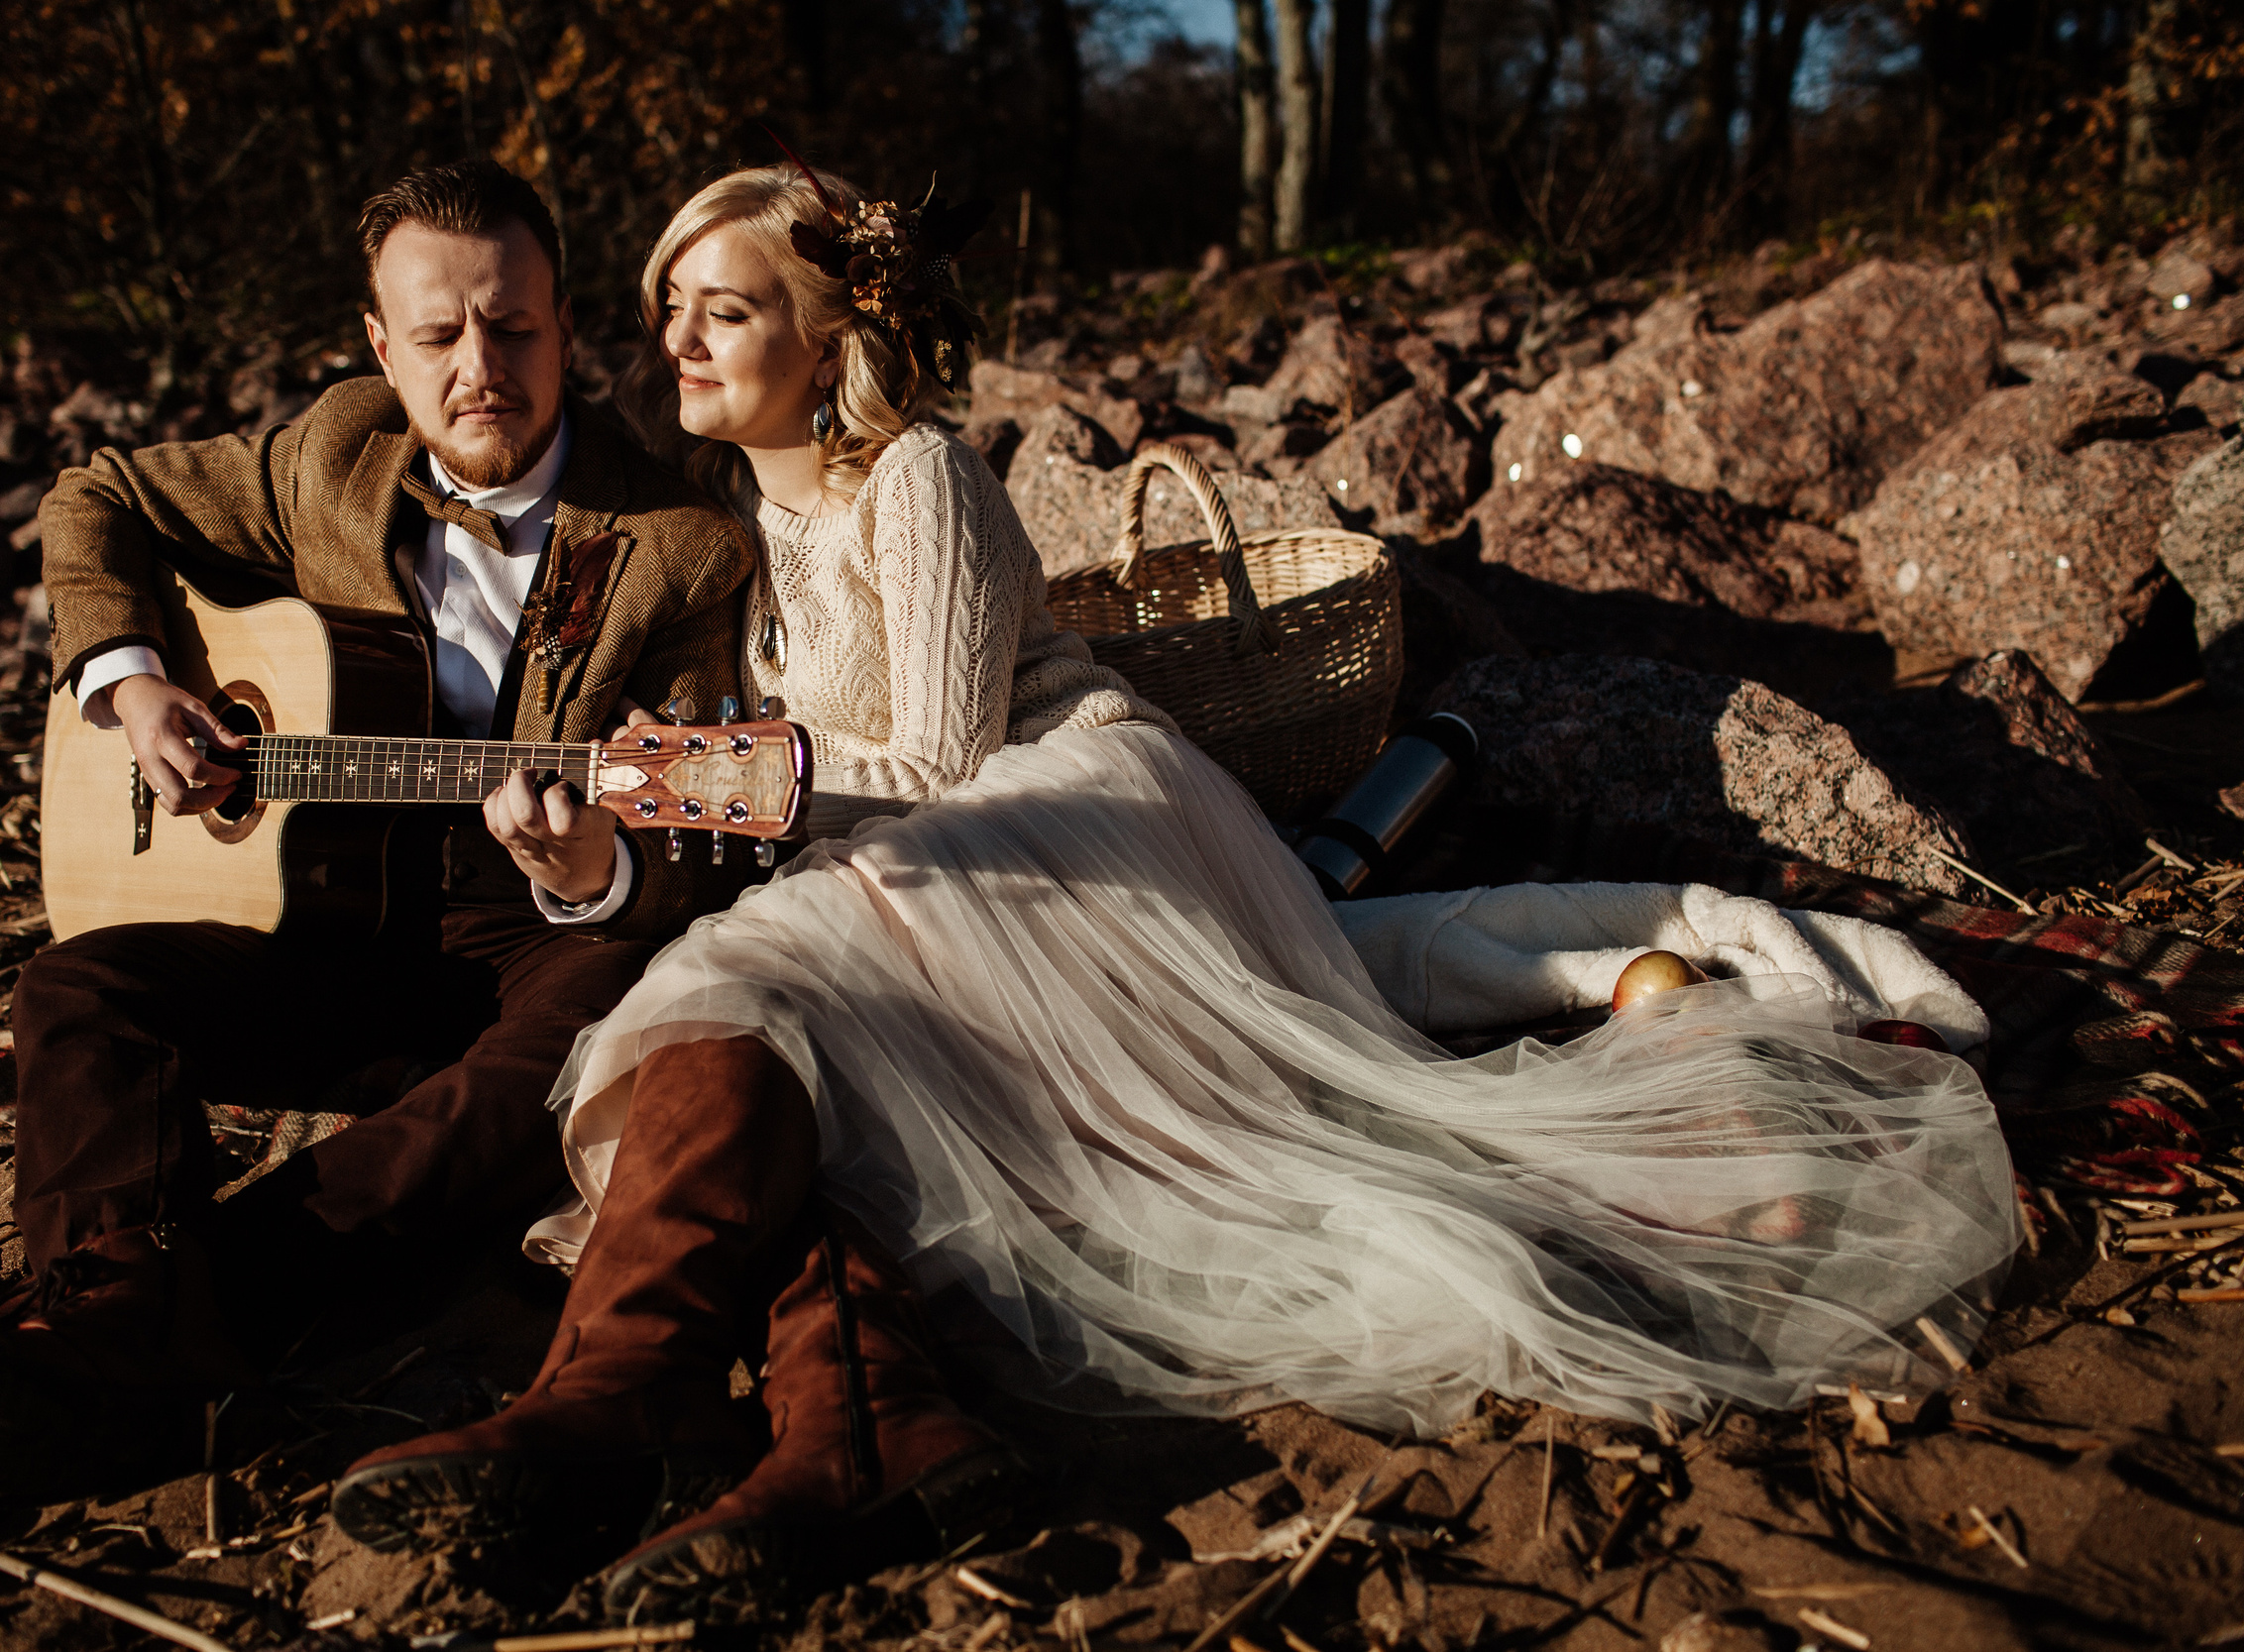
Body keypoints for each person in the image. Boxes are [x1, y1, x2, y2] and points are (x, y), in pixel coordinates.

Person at [340, 163, 2022, 1621]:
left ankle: (627, 1399)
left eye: (722, 307)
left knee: (754, 981)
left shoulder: (918, 477)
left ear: (829, 332)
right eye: (669, 310)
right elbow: (800, 791)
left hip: (1068, 814)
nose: (678, 342)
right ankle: (832, 1428)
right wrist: (624, 828)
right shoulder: (740, 543)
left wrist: (714, 782)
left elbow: (932, 767)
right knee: (774, 1036)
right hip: (914, 860)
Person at [0, 160, 773, 1519]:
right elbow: (94, 494)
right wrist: (134, 678)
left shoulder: (677, 540)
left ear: (566, 325)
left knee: (563, 1055)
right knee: (75, 990)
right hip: (333, 922)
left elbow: (699, 832)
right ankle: (134, 1318)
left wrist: (600, 865)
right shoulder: (331, 453)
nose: (482, 370)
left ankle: (124, 1323)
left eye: (513, 328)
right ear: (381, 347)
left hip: (538, 932)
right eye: (440, 337)